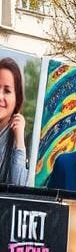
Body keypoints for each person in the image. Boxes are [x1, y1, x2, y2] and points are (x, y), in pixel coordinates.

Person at [0, 57, 28, 187]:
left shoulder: (21, 139)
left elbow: (18, 189)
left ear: (17, 99)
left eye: (7, 91)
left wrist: (19, 142)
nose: (0, 96)